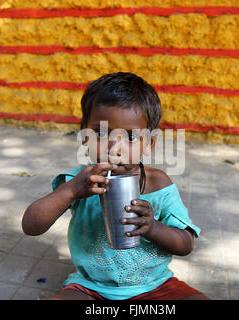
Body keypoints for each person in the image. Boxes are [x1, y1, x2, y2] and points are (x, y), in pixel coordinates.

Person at [22, 72, 210, 300]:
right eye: (100, 133)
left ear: (149, 143)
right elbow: (30, 225)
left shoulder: (158, 184)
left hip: (155, 287)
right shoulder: (79, 181)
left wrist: (153, 228)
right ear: (84, 136)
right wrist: (71, 190)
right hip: (90, 288)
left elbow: (186, 244)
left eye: (130, 137)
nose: (115, 148)